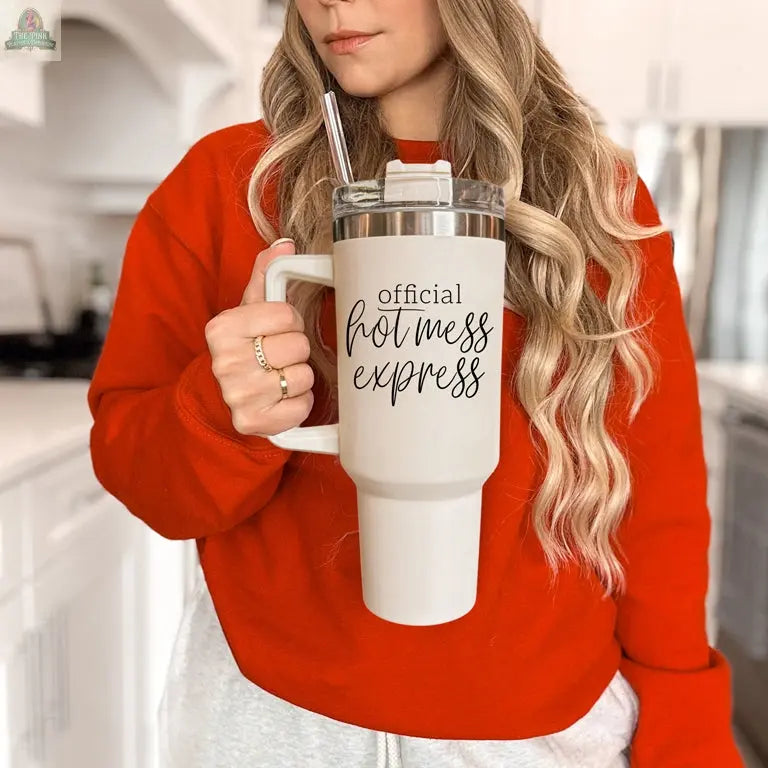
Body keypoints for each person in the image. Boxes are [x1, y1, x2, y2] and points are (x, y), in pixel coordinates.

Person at [87, 1, 744, 766]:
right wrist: (224, 414)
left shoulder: (598, 201)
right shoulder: (224, 186)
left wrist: (685, 727)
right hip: (270, 717)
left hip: (539, 731)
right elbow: (145, 478)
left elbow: (656, 502)